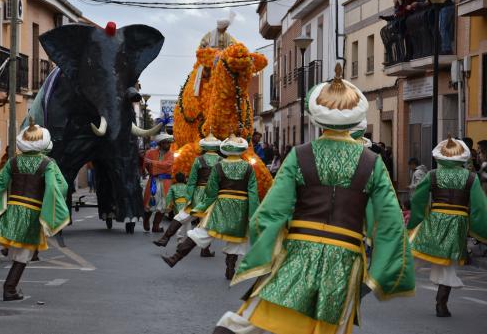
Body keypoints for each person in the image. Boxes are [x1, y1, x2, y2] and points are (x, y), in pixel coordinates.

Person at [211, 65, 414, 334]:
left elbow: (271, 212)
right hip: (345, 257)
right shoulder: (372, 163)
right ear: (356, 120)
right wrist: (384, 270)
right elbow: (389, 223)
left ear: (317, 118)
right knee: (330, 326)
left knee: (257, 315)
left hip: (298, 251)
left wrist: (264, 252)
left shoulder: (299, 154)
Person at [0, 117, 69, 301]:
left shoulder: (13, 162)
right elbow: (59, 187)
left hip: (12, 209)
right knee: (25, 253)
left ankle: (10, 282)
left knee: (18, 248)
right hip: (32, 211)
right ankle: (9, 289)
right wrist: (52, 208)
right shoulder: (48, 164)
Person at [407, 137, 487, 317]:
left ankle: (386, 281)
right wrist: (481, 230)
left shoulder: (432, 175)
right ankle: (441, 304)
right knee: (449, 264)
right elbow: (480, 208)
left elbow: (418, 199)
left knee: (413, 252)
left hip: (435, 218)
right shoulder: (471, 178)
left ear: (440, 156)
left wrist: (415, 222)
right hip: (458, 222)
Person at [162, 134, 259, 280]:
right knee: (235, 241)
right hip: (241, 209)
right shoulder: (248, 168)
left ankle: (175, 257)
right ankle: (230, 268)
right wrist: (253, 215)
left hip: (220, 206)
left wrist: (199, 207)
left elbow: (211, 193)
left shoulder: (219, 166)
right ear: (241, 150)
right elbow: (253, 194)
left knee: (201, 232)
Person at [153, 132, 222, 257]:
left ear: (204, 147)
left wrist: (189, 197)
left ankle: (165, 238)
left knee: (183, 215)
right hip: (214, 195)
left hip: (199, 193)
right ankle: (204, 249)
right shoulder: (221, 161)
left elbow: (191, 182)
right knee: (206, 223)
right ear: (217, 147)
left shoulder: (198, 160)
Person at [143, 133, 175, 232]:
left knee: (163, 206)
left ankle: (156, 226)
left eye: (169, 143)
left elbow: (167, 165)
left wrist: (153, 163)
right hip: (153, 181)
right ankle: (146, 220)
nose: (168, 145)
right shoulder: (150, 153)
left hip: (165, 182)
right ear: (160, 144)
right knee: (150, 204)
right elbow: (146, 165)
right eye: (166, 143)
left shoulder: (171, 154)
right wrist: (153, 168)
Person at [162, 172, 189, 242]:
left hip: (177, 205)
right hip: (187, 205)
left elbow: (168, 197)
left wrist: (168, 206)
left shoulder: (173, 187)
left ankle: (180, 239)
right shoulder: (187, 186)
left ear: (176, 179)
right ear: (184, 179)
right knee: (188, 222)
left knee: (179, 221)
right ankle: (189, 238)